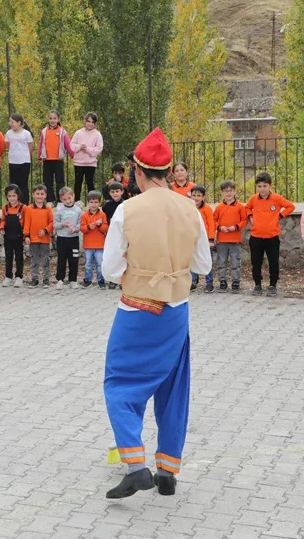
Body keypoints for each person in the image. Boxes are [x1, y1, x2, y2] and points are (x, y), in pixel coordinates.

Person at [101, 127, 212, 499]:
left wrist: (139, 272)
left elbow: (109, 270)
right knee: (174, 388)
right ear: (167, 171)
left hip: (137, 309)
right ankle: (167, 472)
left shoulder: (125, 210)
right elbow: (204, 265)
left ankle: (136, 466)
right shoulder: (190, 209)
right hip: (176, 311)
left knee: (120, 384)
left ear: (137, 170)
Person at [244, 172, 295, 297]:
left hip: (272, 237)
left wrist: (280, 215)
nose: (262, 188)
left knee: (273, 262)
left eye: (265, 186)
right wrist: (250, 217)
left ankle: (272, 285)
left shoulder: (276, 198)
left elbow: (290, 206)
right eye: (259, 186)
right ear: (256, 187)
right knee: (256, 262)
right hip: (256, 237)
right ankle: (257, 285)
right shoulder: (253, 198)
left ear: (270, 186)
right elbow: (246, 208)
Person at [213, 180, 247, 293]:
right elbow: (214, 220)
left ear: (235, 191)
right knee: (221, 261)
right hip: (222, 240)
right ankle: (222, 281)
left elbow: (244, 221)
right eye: (226, 191)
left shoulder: (240, 207)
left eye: (231, 191)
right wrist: (219, 227)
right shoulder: (219, 207)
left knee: (235, 262)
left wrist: (236, 227)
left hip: (235, 239)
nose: (228, 193)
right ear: (222, 192)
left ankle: (236, 281)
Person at [37, 109, 73, 204]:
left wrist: (73, 155)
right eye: (50, 118)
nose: (52, 120)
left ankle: (60, 200)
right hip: (47, 160)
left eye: (54, 118)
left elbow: (68, 144)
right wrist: (39, 157)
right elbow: (40, 144)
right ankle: (50, 200)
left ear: (58, 119)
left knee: (60, 182)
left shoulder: (62, 131)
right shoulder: (44, 131)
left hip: (58, 160)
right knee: (47, 181)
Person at [24, 184, 53, 288]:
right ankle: (34, 279)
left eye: (42, 194)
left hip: (45, 239)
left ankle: (45, 279)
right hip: (33, 239)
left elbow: (52, 222)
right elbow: (26, 223)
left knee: (45, 259)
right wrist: (26, 236)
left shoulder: (48, 209)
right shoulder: (29, 208)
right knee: (34, 259)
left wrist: (46, 230)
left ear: (45, 195)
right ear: (33, 195)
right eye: (37, 194)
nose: (39, 196)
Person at [53, 186, 82, 290]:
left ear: (73, 196)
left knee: (74, 259)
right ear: (61, 200)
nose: (68, 201)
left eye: (69, 198)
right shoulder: (59, 210)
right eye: (64, 199)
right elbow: (55, 224)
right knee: (61, 259)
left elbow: (80, 224)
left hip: (74, 239)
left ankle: (73, 280)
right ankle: (60, 280)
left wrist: (76, 229)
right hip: (62, 239)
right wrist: (62, 224)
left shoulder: (78, 210)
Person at [70, 113, 104, 201]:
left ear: (95, 124)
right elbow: (72, 145)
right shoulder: (78, 133)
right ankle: (77, 201)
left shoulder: (97, 134)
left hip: (91, 163)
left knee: (90, 183)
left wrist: (88, 149)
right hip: (79, 163)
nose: (90, 123)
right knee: (78, 183)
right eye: (88, 121)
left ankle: (92, 202)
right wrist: (79, 147)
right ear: (85, 121)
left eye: (92, 122)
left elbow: (99, 148)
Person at [190, 185, 215, 293]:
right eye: (194, 195)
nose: (196, 198)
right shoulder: (189, 208)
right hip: (192, 238)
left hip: (204, 239)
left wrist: (211, 239)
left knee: (205, 259)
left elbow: (211, 224)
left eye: (199, 195)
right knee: (193, 259)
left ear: (203, 197)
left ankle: (209, 282)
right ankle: (193, 281)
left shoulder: (207, 209)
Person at [80, 190, 108, 289]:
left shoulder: (102, 215)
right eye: (91, 202)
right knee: (88, 264)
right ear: (88, 203)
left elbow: (105, 228)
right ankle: (88, 280)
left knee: (100, 264)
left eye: (96, 202)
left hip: (100, 245)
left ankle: (101, 280)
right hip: (88, 245)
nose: (93, 204)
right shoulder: (84, 215)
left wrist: (99, 226)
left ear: (99, 203)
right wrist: (88, 227)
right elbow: (82, 229)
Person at [5, 113, 34, 205]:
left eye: (12, 122)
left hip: (24, 162)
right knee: (13, 184)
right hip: (13, 161)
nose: (11, 124)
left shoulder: (26, 133)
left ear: (19, 122)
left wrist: (25, 155)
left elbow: (31, 146)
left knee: (23, 184)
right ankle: (13, 202)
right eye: (10, 122)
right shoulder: (9, 133)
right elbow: (7, 145)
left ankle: (24, 203)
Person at [0, 184, 26, 288]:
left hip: (19, 236)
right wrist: (1, 228)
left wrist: (25, 235)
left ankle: (19, 277)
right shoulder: (5, 207)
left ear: (18, 196)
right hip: (8, 236)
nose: (12, 198)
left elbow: (26, 222)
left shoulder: (23, 208)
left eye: (14, 196)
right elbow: (3, 220)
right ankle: (8, 276)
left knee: (19, 257)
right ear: (7, 197)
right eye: (9, 196)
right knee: (8, 257)